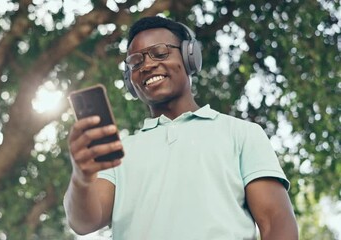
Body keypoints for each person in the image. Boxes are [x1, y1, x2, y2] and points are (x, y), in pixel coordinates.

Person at [64, 16, 298, 240]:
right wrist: (81, 178)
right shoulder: (119, 152)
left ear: (189, 57)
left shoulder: (242, 133)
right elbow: (84, 223)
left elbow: (276, 221)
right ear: (130, 78)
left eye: (159, 53)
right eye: (136, 61)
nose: (147, 65)